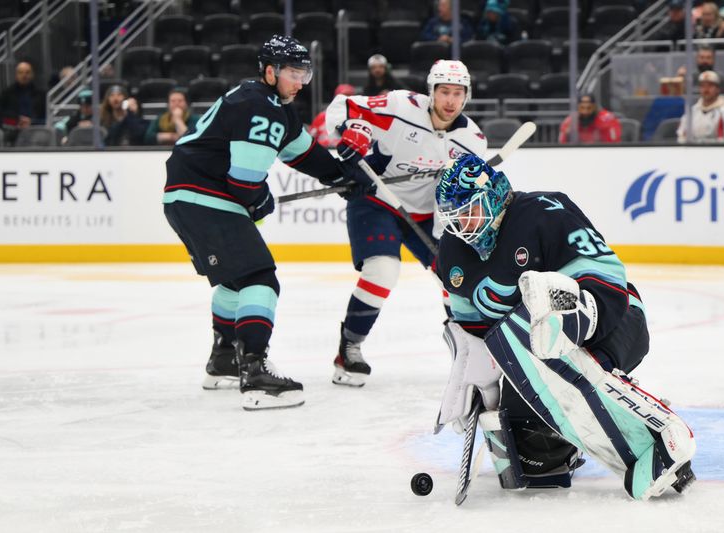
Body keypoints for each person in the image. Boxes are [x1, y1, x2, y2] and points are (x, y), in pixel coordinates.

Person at [433, 153, 697, 500]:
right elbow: (470, 326)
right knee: (532, 455)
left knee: (553, 355)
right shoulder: (453, 251)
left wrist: (575, 328)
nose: (463, 227)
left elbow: (607, 278)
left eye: (470, 212)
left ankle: (646, 431)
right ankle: (570, 442)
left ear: (494, 195)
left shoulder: (544, 212)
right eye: (455, 218)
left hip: (614, 320)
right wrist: (475, 371)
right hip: (532, 349)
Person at [162, 35, 374, 410]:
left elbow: (304, 154)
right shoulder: (259, 106)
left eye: (304, 74)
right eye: (293, 73)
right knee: (260, 278)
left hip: (188, 197)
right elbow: (244, 183)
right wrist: (259, 199)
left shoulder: (271, 105)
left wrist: (343, 176)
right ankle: (255, 371)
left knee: (235, 280)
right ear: (270, 71)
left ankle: (224, 360)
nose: (299, 82)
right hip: (206, 198)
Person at [324, 60, 487, 387]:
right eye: (444, 92)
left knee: (455, 276)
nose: (450, 101)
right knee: (382, 270)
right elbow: (342, 107)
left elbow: (461, 198)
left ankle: (469, 352)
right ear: (431, 92)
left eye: (458, 93)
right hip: (375, 199)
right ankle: (349, 347)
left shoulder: (472, 141)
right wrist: (349, 131)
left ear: (466, 96)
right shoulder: (400, 106)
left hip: (426, 214)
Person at [677, 70, 724, 143]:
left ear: (718, 89)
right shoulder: (692, 111)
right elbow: (682, 136)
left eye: (710, 86)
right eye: (703, 86)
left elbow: (723, 140)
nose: (706, 89)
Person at [0, 60, 46, 145]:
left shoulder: (41, 95)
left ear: (32, 75)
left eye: (27, 72)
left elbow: (45, 118)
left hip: (35, 129)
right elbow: (1, 117)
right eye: (20, 72)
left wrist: (31, 122)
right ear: (16, 75)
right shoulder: (7, 93)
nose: (24, 75)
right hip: (12, 129)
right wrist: (16, 122)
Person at [308, 83, 356, 147]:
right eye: (343, 96)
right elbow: (310, 140)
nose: (345, 99)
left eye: (349, 96)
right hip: (325, 152)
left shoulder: (358, 118)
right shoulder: (322, 116)